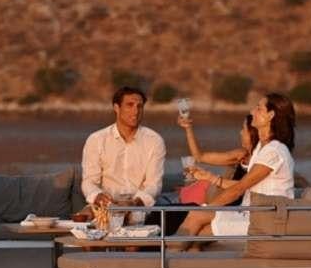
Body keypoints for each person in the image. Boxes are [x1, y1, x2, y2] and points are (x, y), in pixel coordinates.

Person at [171, 93, 296, 250]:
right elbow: (246, 185)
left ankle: (167, 259)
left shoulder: (275, 151)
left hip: (265, 220)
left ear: (270, 115)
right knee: (197, 237)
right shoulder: (260, 148)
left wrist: (205, 208)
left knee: (197, 215)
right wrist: (211, 180)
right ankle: (179, 264)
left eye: (258, 108)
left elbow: (239, 189)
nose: (252, 111)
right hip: (249, 214)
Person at [81, 86, 166, 217]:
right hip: (105, 205)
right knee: (83, 217)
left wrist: (134, 203)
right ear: (116, 108)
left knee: (137, 217)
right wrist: (97, 196)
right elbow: (89, 182)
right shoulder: (96, 140)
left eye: (140, 106)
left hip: (140, 206)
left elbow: (153, 184)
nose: (135, 111)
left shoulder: (154, 141)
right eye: (130, 105)